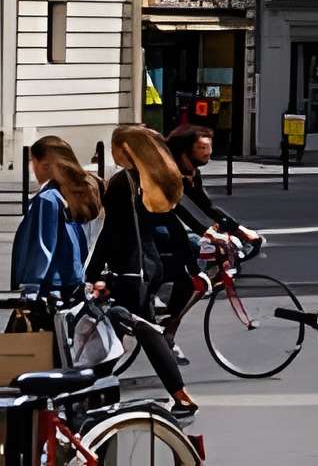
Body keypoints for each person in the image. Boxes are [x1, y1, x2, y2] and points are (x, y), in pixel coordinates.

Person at [91, 126, 198, 417]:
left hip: (129, 271)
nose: (112, 153)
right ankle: (96, 392)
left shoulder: (122, 181)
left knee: (144, 333)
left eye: (115, 147)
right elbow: (175, 228)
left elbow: (110, 232)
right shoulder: (146, 182)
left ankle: (182, 396)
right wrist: (192, 265)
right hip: (148, 268)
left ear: (126, 150)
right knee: (116, 329)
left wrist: (91, 273)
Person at [162, 125, 256, 340]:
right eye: (202, 147)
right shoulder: (169, 172)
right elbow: (176, 208)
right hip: (155, 226)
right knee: (197, 249)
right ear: (186, 149)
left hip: (173, 224)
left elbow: (207, 206)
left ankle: (170, 324)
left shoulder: (192, 172)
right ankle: (167, 321)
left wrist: (241, 230)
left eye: (209, 147)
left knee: (207, 257)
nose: (208, 152)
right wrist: (208, 233)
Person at [11, 136, 99, 301]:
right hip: (69, 283)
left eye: (33, 162)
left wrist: (32, 286)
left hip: (48, 287)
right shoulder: (70, 196)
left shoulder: (48, 198)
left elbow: (43, 245)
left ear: (43, 164)